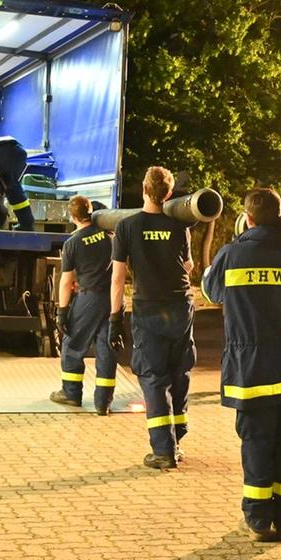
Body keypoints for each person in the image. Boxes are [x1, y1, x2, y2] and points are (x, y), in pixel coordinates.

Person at [202, 188, 281, 543]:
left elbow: (211, 292)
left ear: (248, 217)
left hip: (252, 372)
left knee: (257, 447)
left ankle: (258, 522)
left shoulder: (232, 254)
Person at [110, 166, 196, 470]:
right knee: (179, 372)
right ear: (169, 194)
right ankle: (177, 441)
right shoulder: (180, 227)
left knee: (153, 378)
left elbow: (118, 278)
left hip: (148, 309)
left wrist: (114, 318)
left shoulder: (127, 227)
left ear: (144, 190)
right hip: (180, 306)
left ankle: (163, 450)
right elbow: (188, 267)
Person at [49, 195, 118, 414]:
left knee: (72, 345)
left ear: (72, 216)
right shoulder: (109, 236)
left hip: (88, 298)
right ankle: (103, 402)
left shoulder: (72, 243)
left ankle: (71, 393)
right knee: (106, 347)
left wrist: (62, 311)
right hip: (111, 298)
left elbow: (67, 280)